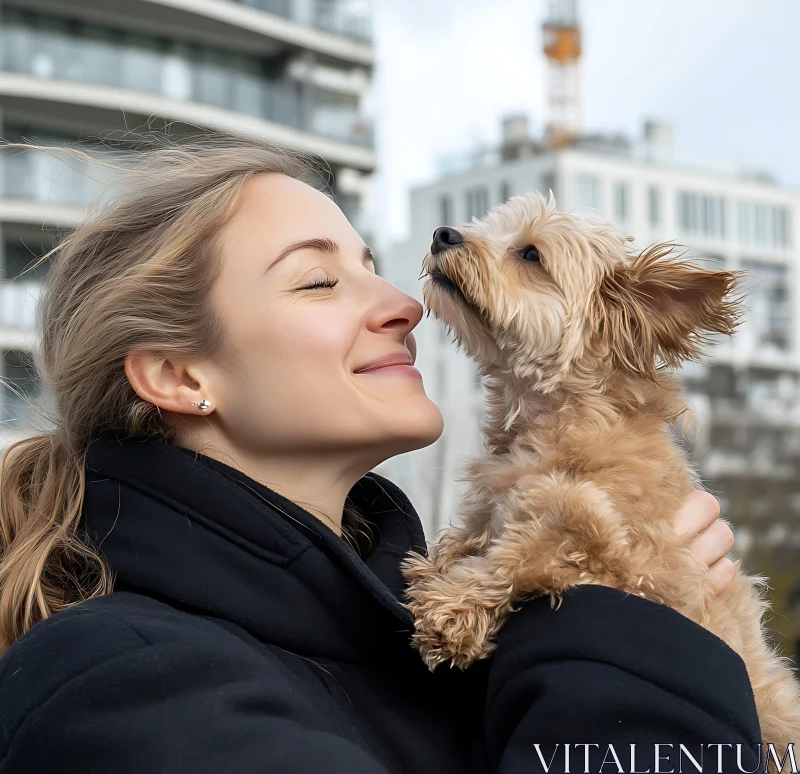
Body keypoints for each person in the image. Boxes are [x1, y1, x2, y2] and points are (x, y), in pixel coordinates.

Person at [0, 133, 760, 773]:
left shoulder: (418, 649)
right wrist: (633, 633)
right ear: (179, 376)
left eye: (370, 265)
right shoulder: (117, 683)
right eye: (320, 280)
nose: (402, 303)